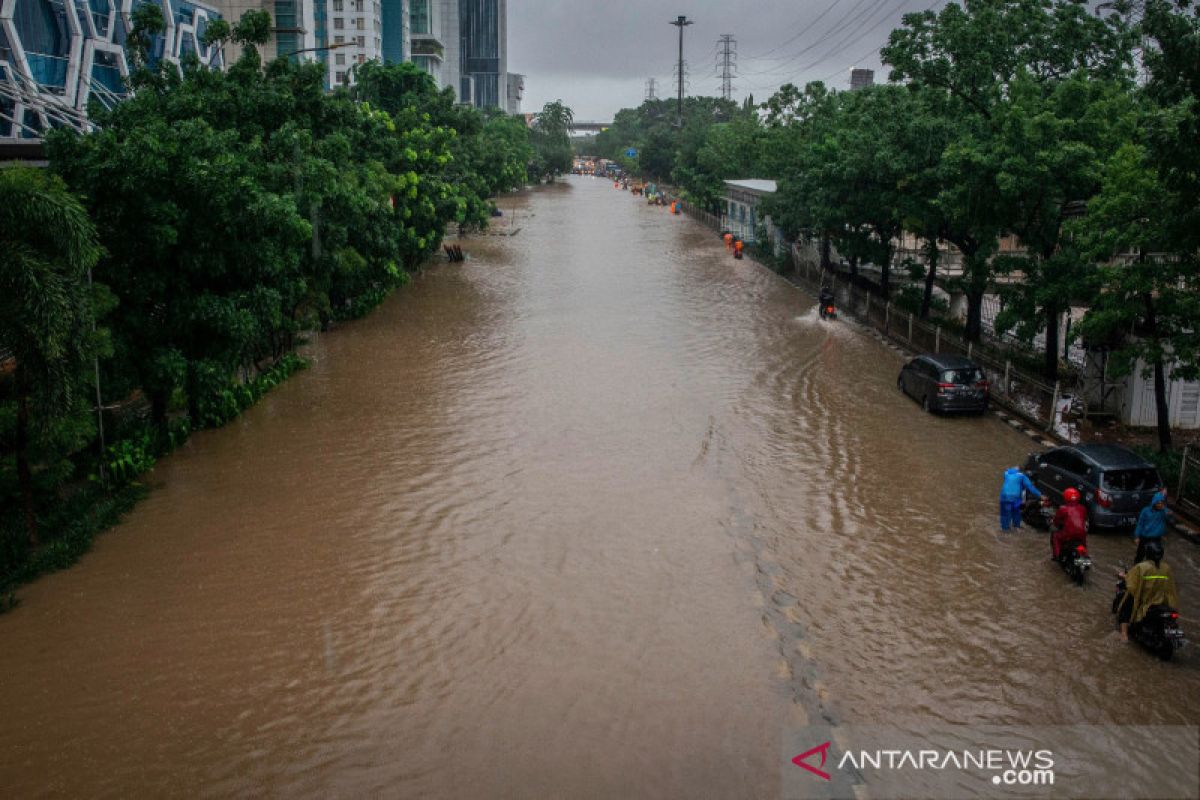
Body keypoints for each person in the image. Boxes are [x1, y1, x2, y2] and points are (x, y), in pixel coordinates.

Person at [1116, 540, 1178, 641]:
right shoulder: (1166, 568)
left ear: (1147, 553)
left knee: (1126, 605)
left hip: (1146, 600)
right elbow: (1171, 588)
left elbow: (1131, 584)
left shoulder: (1142, 567)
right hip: (1161, 601)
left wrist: (1124, 576)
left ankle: (1124, 634)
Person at [1133, 491, 1170, 564]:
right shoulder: (1145, 511)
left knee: (1155, 558)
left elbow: (1170, 518)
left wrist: (1164, 509)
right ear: (1154, 502)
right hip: (1145, 537)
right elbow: (1140, 524)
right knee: (1139, 556)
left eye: (1162, 503)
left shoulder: (1163, 512)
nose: (1160, 505)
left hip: (1156, 539)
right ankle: (1136, 570)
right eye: (1158, 503)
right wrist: (1137, 536)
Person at [999, 466, 1041, 531]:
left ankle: (1005, 530)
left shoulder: (1006, 473)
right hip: (1016, 497)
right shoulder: (1022, 476)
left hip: (1004, 497)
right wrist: (1040, 495)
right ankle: (1016, 527)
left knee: (1005, 515)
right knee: (1016, 512)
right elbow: (1030, 487)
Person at [1051, 487, 1088, 560]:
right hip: (1082, 534)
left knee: (1055, 537)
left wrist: (1054, 523)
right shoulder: (1083, 508)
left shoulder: (1063, 508)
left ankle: (1057, 556)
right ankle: (1085, 555)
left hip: (1068, 534)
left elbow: (1056, 522)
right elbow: (1084, 518)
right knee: (1083, 543)